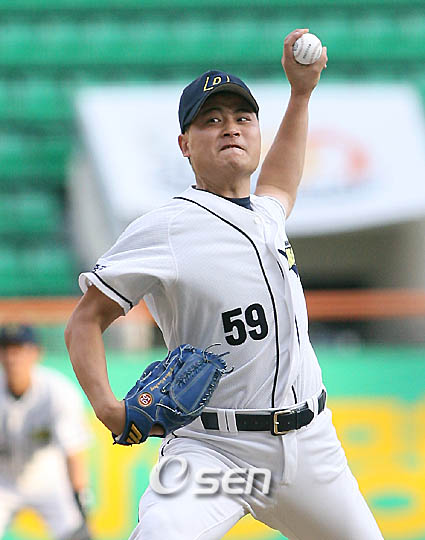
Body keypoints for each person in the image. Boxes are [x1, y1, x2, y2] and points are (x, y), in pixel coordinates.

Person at [65, 29, 383, 540]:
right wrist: (107, 407)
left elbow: (279, 182)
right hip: (214, 451)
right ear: (185, 145)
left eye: (242, 117)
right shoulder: (167, 227)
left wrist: (301, 94)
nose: (230, 127)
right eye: (211, 120)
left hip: (310, 445)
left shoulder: (267, 216)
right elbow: (85, 320)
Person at [0, 325, 92, 540]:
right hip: (3, 479)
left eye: (19, 349)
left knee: (76, 534)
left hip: (48, 478)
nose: (12, 357)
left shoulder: (57, 392)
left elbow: (74, 452)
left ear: (35, 353)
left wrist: (80, 501)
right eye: (6, 349)